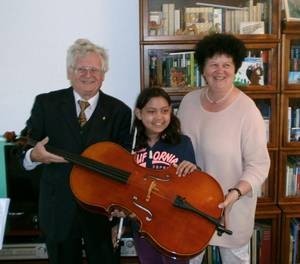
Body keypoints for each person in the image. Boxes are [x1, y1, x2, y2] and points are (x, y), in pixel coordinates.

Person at [21, 38, 132, 264]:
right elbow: (24, 143)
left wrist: (121, 205)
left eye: (95, 69)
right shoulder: (46, 103)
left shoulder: (120, 111)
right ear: (70, 72)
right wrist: (34, 156)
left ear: (103, 74)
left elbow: (123, 163)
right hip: (58, 208)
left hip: (101, 211)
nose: (88, 74)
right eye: (81, 68)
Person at [177, 33, 270, 264]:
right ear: (203, 69)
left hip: (231, 207)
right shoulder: (188, 102)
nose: (220, 71)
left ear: (235, 68)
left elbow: (258, 164)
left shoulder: (247, 111)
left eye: (226, 65)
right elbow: (176, 148)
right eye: (213, 64)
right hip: (191, 206)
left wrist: (236, 192)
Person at [131, 87, 197, 264]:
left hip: (175, 225)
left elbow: (192, 188)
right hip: (142, 225)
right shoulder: (130, 144)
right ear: (139, 113)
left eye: (165, 111)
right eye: (151, 112)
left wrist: (193, 170)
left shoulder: (182, 143)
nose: (159, 117)